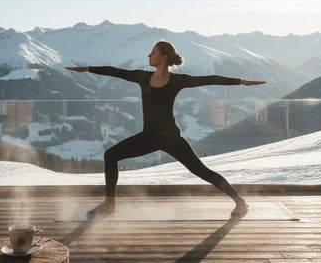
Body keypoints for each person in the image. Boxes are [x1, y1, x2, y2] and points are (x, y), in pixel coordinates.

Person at [66, 40, 266, 217]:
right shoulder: (143, 77)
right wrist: (87, 69)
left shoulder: (177, 81)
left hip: (171, 138)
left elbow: (210, 78)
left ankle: (240, 201)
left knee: (201, 171)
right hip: (149, 137)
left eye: (152, 52)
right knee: (110, 155)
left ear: (162, 57)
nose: (148, 55)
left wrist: (241, 82)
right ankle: (109, 204)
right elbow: (116, 71)